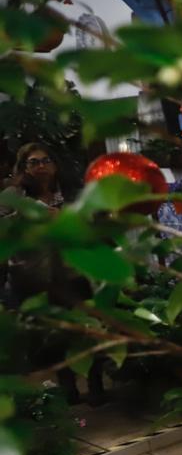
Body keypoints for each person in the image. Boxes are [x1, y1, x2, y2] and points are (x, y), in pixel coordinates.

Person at [2, 143, 101, 404]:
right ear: (23, 167)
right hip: (34, 277)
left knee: (85, 330)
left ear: (55, 164)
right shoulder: (13, 196)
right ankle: (68, 389)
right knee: (53, 337)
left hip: (73, 274)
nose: (41, 166)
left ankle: (96, 385)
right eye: (33, 162)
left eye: (46, 160)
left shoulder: (71, 194)